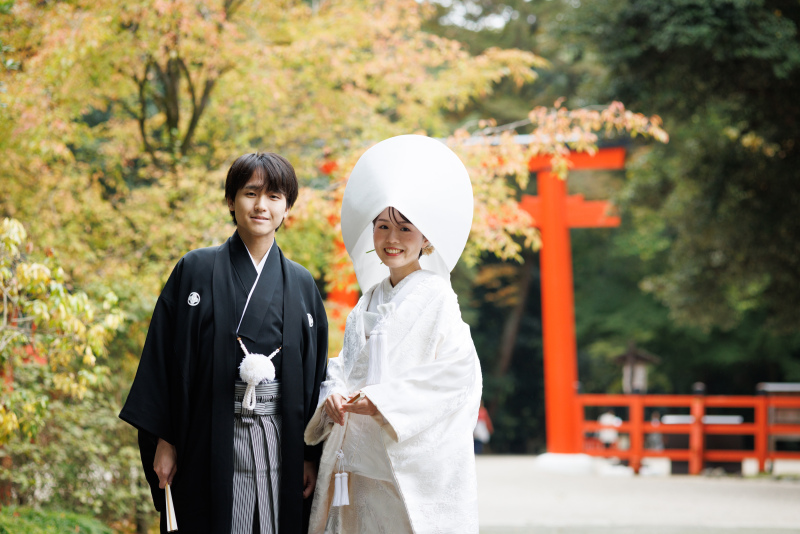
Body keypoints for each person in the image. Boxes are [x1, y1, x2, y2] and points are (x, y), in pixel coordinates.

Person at [119, 153, 329, 534]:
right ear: (231, 200)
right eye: (251, 193)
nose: (261, 205)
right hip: (206, 438)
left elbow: (315, 378)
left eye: (274, 196)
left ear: (287, 208)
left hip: (281, 444)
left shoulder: (301, 284)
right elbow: (164, 361)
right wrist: (165, 440)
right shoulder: (195, 270)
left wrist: (310, 454)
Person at [304, 135, 483, 534]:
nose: (392, 239)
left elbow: (458, 374)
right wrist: (333, 393)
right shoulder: (367, 300)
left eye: (405, 228)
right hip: (358, 459)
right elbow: (344, 366)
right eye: (382, 227)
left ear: (426, 238)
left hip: (402, 460)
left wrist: (385, 402)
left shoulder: (438, 297)